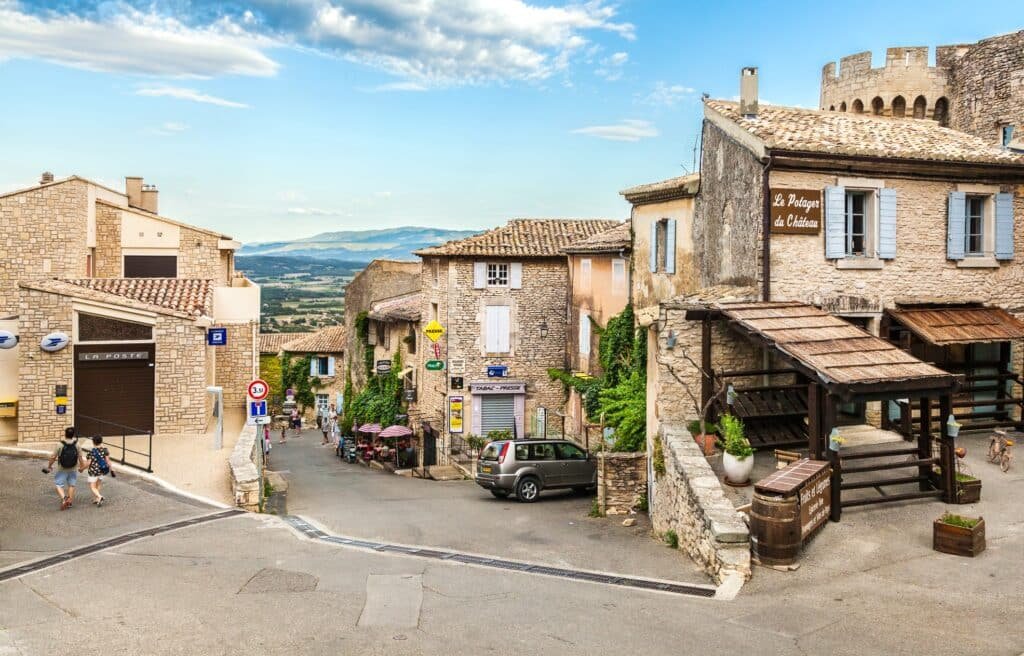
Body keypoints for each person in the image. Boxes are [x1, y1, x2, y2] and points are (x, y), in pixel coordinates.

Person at [44, 427, 85, 510]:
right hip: (73, 468)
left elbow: (53, 457)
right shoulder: (77, 444)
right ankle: (69, 502)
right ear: (73, 435)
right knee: (71, 484)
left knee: (59, 484)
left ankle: (64, 498)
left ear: (65, 434)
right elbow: (80, 457)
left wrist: (49, 466)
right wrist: (82, 467)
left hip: (62, 468)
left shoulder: (60, 444)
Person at [83, 435, 113, 506]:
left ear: (93, 442)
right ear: (101, 441)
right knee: (98, 484)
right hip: (102, 470)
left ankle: (100, 496)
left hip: (93, 471)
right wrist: (111, 470)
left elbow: (88, 463)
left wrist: (82, 468)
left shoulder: (91, 452)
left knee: (92, 487)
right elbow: (108, 461)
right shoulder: (105, 450)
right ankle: (97, 499)